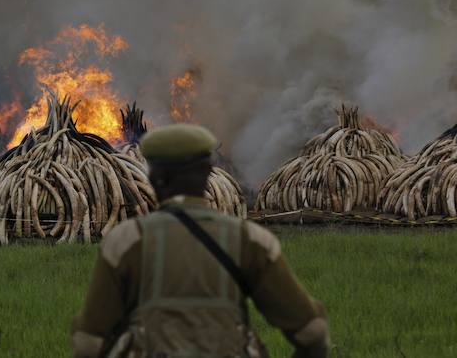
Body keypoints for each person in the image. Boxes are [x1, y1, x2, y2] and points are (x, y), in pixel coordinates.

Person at [71, 124, 329, 357]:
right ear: (209, 173)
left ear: (153, 177)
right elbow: (312, 332)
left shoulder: (125, 241)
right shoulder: (250, 239)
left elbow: (87, 343)